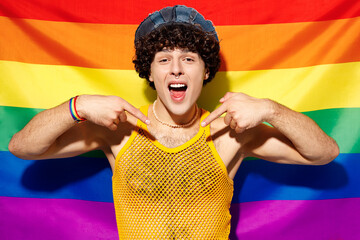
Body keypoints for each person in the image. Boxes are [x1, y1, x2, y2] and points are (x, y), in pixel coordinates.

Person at [9, 5, 339, 240]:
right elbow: (22, 147)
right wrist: (77, 105)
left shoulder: (230, 134)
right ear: (150, 73)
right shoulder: (120, 130)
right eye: (164, 59)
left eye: (189, 59)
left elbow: (324, 153)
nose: (176, 69)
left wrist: (270, 109)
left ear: (206, 71)